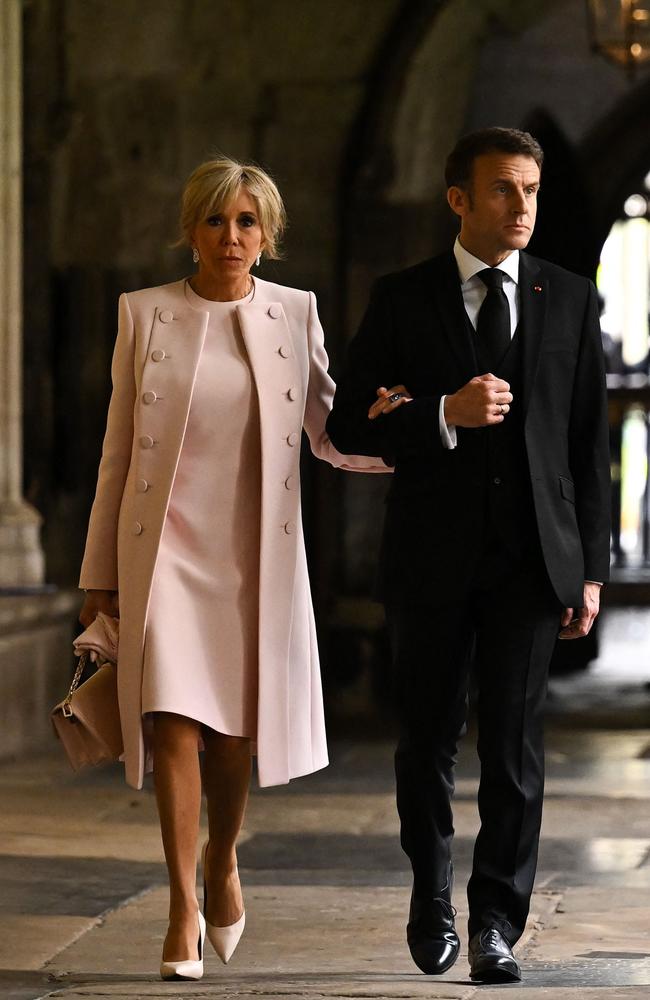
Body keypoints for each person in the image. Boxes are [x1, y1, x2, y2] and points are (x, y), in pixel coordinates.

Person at [78, 157, 390, 981]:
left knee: (232, 740)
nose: (231, 236)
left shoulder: (295, 313)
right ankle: (181, 904)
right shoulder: (144, 314)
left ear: (268, 235)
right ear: (190, 229)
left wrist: (425, 437)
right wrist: (98, 573)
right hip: (166, 553)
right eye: (216, 220)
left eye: (247, 222)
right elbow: (117, 452)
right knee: (171, 721)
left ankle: (222, 859)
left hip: (253, 554)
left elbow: (330, 428)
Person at [326, 128, 610, 984]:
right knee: (427, 738)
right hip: (430, 554)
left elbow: (587, 442)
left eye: (530, 190)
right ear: (459, 199)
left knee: (516, 747)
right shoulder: (404, 298)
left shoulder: (570, 298)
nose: (521, 206)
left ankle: (496, 923)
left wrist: (589, 568)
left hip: (531, 559)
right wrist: (442, 411)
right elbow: (346, 427)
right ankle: (431, 897)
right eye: (501, 191)